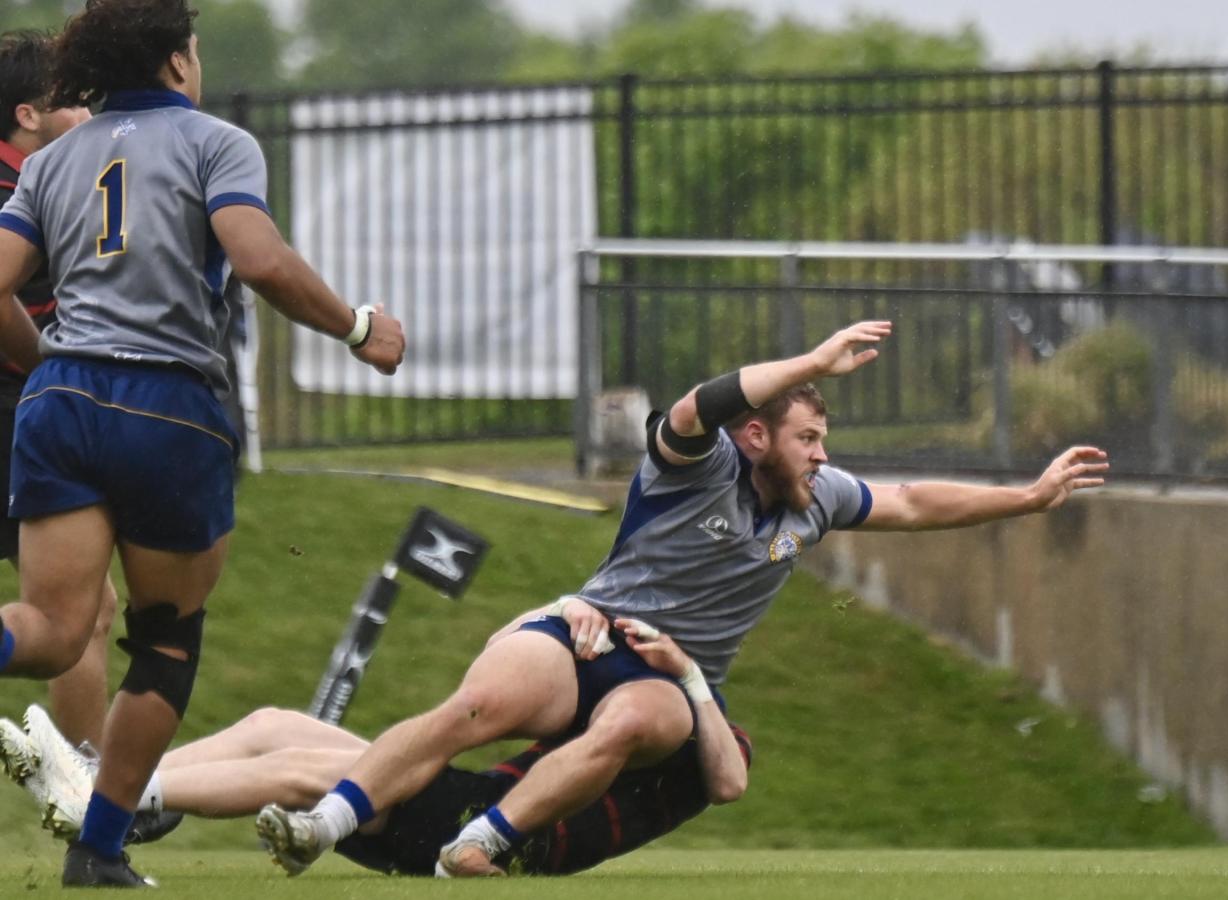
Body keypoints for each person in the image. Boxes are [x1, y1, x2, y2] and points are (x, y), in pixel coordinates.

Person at [260, 319, 1108, 879]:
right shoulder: (696, 465)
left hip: (666, 673)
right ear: (756, 436)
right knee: (482, 704)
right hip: (586, 631)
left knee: (644, 723)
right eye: (807, 437)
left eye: (825, 441)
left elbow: (917, 501)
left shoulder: (816, 503)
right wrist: (811, 361)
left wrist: (1027, 498)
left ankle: (478, 848)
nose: (822, 456)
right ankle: (326, 826)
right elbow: (702, 402)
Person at [0, 0, 405, 886]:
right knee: (165, 643)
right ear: (179, 62)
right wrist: (357, 325)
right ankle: (98, 853)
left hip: (63, 398)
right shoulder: (217, 143)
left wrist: (43, 369)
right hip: (169, 404)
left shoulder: (55, 158)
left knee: (48, 632)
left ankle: (97, 842)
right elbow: (258, 261)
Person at [1, 615, 751, 877]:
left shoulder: (690, 722)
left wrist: (690, 679)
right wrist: (568, 612)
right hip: (466, 798)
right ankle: (98, 777)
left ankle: (106, 802)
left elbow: (729, 782)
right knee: (273, 723)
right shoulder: (623, 690)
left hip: (472, 829)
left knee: (301, 771)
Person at [0, 29, 118, 756]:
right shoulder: (21, 188)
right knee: (83, 612)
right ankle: (90, 798)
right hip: (13, 415)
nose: (88, 116)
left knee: (86, 611)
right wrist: (44, 364)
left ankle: (89, 790)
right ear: (28, 115)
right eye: (73, 103)